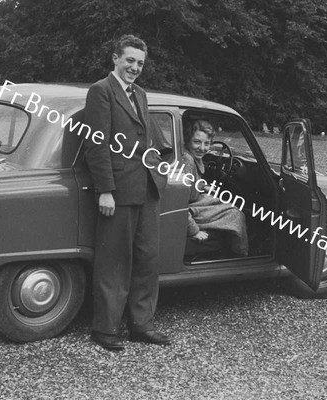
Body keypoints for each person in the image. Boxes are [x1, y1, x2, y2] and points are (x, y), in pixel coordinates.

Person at [83, 34, 170, 350]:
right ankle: (105, 329)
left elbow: (149, 139)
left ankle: (141, 325)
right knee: (114, 261)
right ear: (115, 58)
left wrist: (160, 171)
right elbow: (96, 144)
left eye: (140, 63)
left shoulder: (141, 94)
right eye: (130, 60)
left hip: (146, 189)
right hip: (117, 191)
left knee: (148, 259)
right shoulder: (101, 91)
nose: (135, 67)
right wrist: (105, 190)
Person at [183, 120, 248, 257]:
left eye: (206, 143)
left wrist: (204, 186)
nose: (202, 148)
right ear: (188, 140)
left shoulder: (191, 156)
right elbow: (179, 204)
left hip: (194, 200)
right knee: (235, 213)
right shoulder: (187, 161)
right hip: (190, 208)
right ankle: (240, 253)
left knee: (225, 202)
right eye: (197, 142)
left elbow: (192, 183)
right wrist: (194, 231)